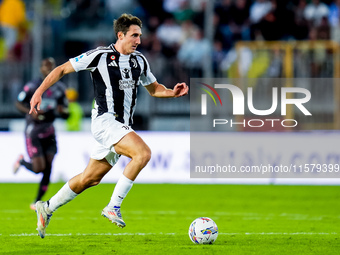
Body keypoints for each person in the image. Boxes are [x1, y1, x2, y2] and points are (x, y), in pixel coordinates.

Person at [29, 13, 189, 238]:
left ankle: (47, 207)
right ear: (120, 35)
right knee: (142, 154)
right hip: (105, 121)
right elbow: (62, 69)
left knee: (90, 179)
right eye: (134, 36)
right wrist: (38, 92)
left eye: (140, 36)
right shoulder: (100, 56)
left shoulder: (139, 61)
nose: (139, 41)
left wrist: (172, 92)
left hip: (120, 126)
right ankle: (113, 206)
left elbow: (154, 89)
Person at [13, 57, 69, 210]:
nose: (49, 68)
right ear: (41, 69)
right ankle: (22, 162)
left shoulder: (60, 88)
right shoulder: (32, 86)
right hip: (34, 131)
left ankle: (37, 201)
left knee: (49, 167)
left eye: (52, 66)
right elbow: (18, 103)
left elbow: (66, 112)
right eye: (46, 66)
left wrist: (62, 112)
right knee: (39, 168)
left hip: (49, 130)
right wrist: (31, 113)